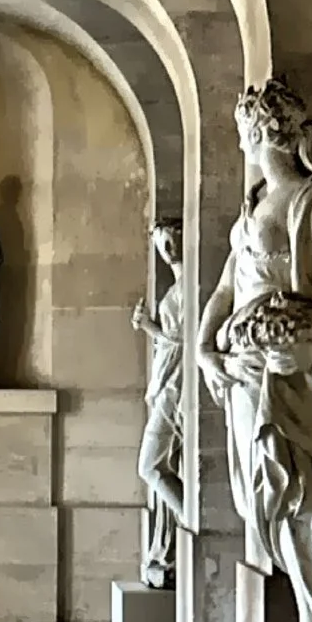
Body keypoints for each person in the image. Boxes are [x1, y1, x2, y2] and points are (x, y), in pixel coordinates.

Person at [195, 79, 312, 622]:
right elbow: (224, 290)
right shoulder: (255, 204)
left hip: (294, 383)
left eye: (244, 128)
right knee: (270, 510)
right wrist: (207, 353)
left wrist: (302, 349)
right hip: (245, 380)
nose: (240, 139)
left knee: (309, 503)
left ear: (265, 131)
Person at [131, 220, 187, 585]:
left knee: (149, 467)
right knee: (158, 468)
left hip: (176, 389)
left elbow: (184, 342)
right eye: (159, 243)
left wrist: (149, 327)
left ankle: (195, 523)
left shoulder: (189, 289)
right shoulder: (180, 289)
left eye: (169, 239)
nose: (165, 249)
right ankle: (170, 546)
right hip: (168, 385)